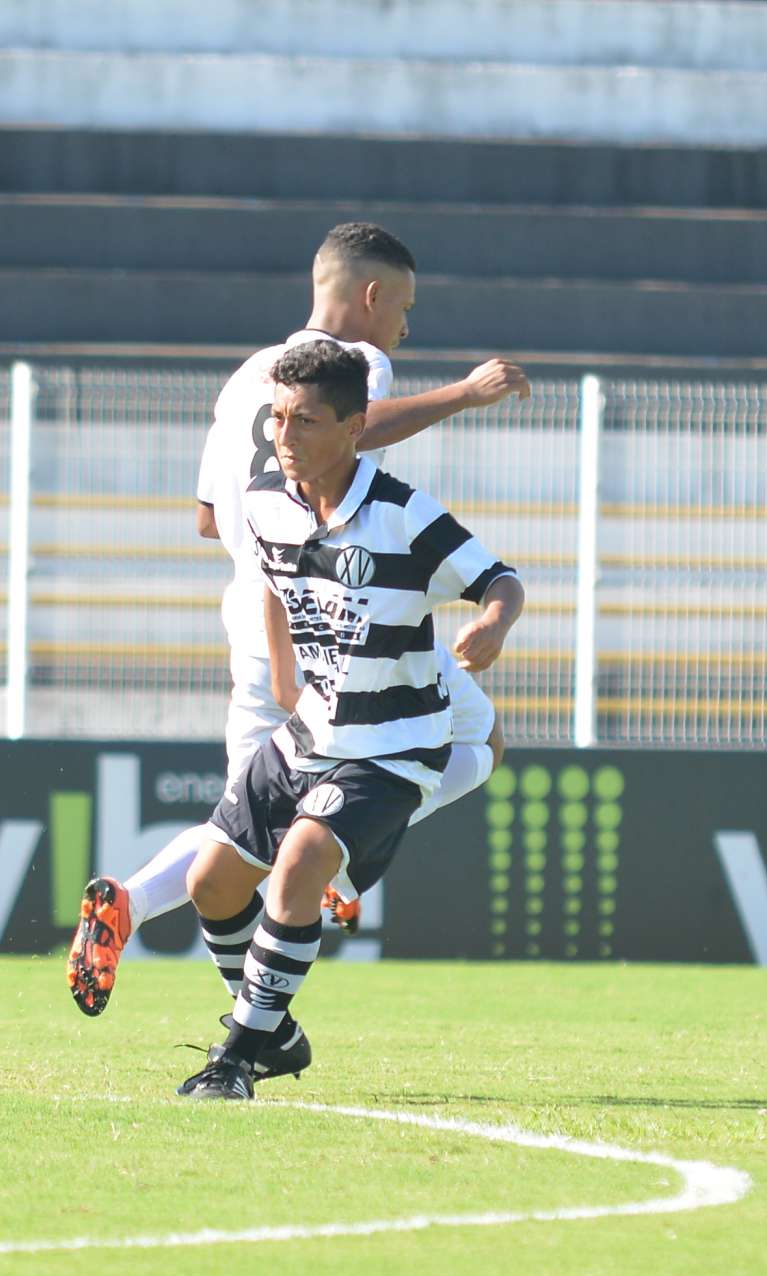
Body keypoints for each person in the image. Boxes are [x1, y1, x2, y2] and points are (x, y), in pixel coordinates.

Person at [67, 222, 529, 1025]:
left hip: (255, 611)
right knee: (475, 744)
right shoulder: (358, 368)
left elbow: (210, 519)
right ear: (373, 298)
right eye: (405, 308)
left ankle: (141, 911)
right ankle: (338, 869)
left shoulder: (250, 374)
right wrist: (465, 392)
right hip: (343, 609)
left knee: (236, 834)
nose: (405, 327)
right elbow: (367, 427)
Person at [173, 340, 525, 1098]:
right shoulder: (266, 495)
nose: (283, 436)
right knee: (210, 883)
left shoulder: (404, 513)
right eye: (277, 418)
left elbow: (500, 578)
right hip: (310, 731)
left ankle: (234, 1059)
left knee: (297, 870)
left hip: (394, 747)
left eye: (305, 421)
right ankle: (276, 1032)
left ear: (355, 427)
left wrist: (493, 625)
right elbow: (269, 574)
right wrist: (284, 672)